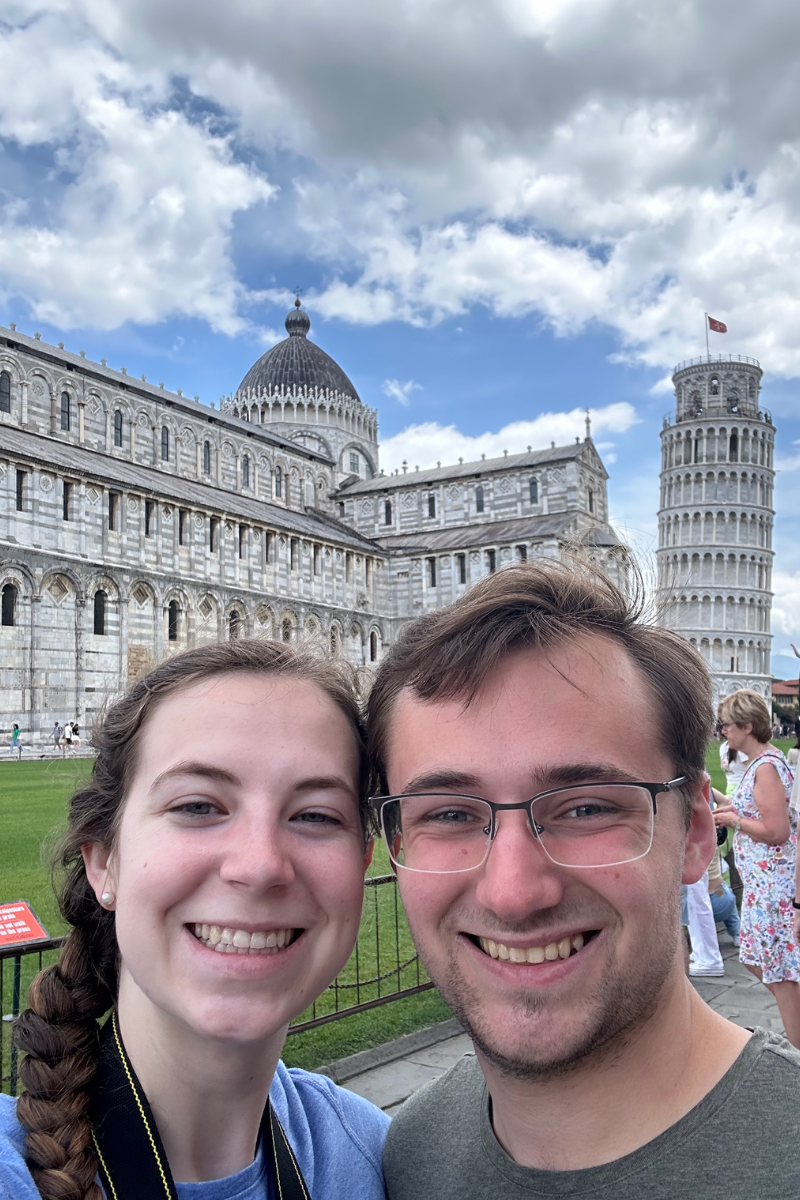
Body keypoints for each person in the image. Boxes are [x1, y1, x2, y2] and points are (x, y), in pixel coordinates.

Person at [367, 562, 800, 1198]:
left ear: (697, 831)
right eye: (451, 815)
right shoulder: (408, 1154)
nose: (513, 893)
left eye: (587, 807)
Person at [0, 639, 388, 1200]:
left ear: (362, 862)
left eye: (314, 815)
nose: (259, 866)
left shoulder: (369, 1153)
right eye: (197, 806)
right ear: (104, 861)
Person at [713, 690, 800, 1046]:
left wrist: (736, 821)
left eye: (727, 726)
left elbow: (777, 831)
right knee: (759, 962)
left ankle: (796, 1053)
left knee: (780, 977)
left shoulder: (766, 767)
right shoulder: (763, 763)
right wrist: (715, 800)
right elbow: (745, 806)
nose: (723, 733)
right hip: (764, 886)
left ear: (747, 726)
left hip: (774, 888)